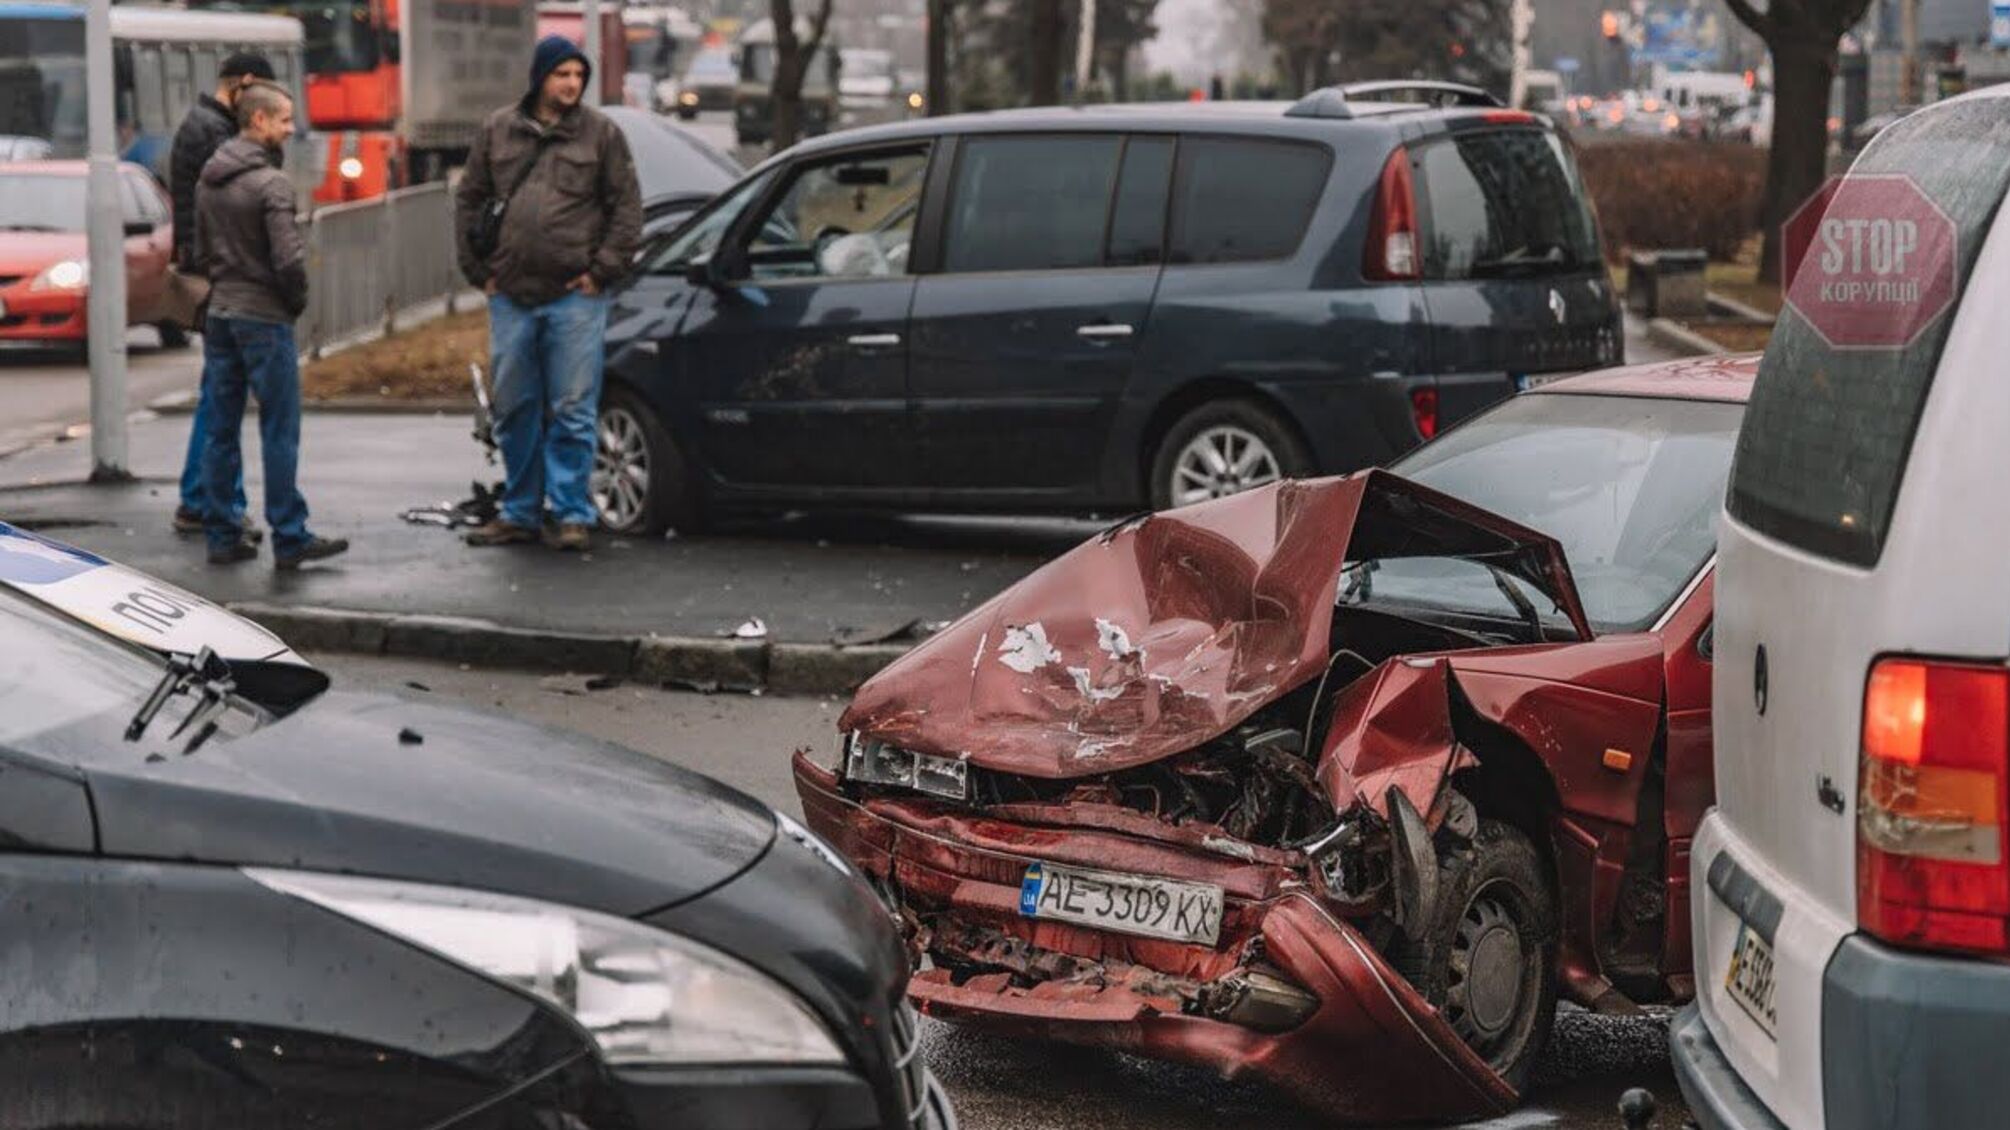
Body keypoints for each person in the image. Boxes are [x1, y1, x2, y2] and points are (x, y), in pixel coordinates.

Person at [455, 36, 642, 552]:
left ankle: (570, 512)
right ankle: (519, 511)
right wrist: (478, 272)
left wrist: (602, 272)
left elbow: (627, 208)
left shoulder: (601, 134)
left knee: (573, 410)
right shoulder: (498, 130)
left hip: (575, 296)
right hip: (511, 294)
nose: (572, 84)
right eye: (563, 74)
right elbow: (469, 199)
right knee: (514, 408)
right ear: (540, 77)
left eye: (579, 75)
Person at [193, 81, 348, 570]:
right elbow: (288, 260)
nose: (289, 128)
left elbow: (199, 249)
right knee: (279, 429)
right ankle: (289, 534)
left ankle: (222, 533)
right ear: (258, 120)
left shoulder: (209, 178)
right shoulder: (271, 184)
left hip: (221, 312)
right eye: (283, 119)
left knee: (220, 428)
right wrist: (295, 302)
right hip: (263, 317)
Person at [168, 51, 276, 541]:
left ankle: (204, 498)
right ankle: (208, 501)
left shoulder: (201, 125)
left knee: (218, 394)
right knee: (221, 398)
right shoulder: (215, 133)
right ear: (244, 85)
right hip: (223, 279)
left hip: (212, 272)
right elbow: (239, 202)